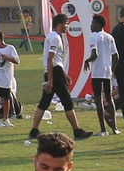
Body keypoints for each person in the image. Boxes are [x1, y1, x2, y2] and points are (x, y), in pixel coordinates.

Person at [27, 14, 93, 143]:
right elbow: (50, 59)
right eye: (66, 23)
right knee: (67, 102)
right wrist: (52, 80)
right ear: (60, 23)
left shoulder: (52, 37)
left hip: (53, 72)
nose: (67, 26)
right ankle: (77, 130)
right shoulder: (55, 38)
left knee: (44, 103)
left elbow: (55, 60)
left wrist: (64, 75)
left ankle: (34, 130)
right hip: (54, 74)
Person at [85, 16, 118, 135]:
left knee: (98, 99)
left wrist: (86, 61)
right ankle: (115, 128)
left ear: (98, 25)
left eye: (93, 23)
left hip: (97, 73)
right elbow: (116, 56)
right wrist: (112, 70)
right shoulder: (110, 37)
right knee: (109, 98)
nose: (91, 26)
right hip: (107, 72)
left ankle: (103, 130)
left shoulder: (94, 36)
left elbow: (94, 54)